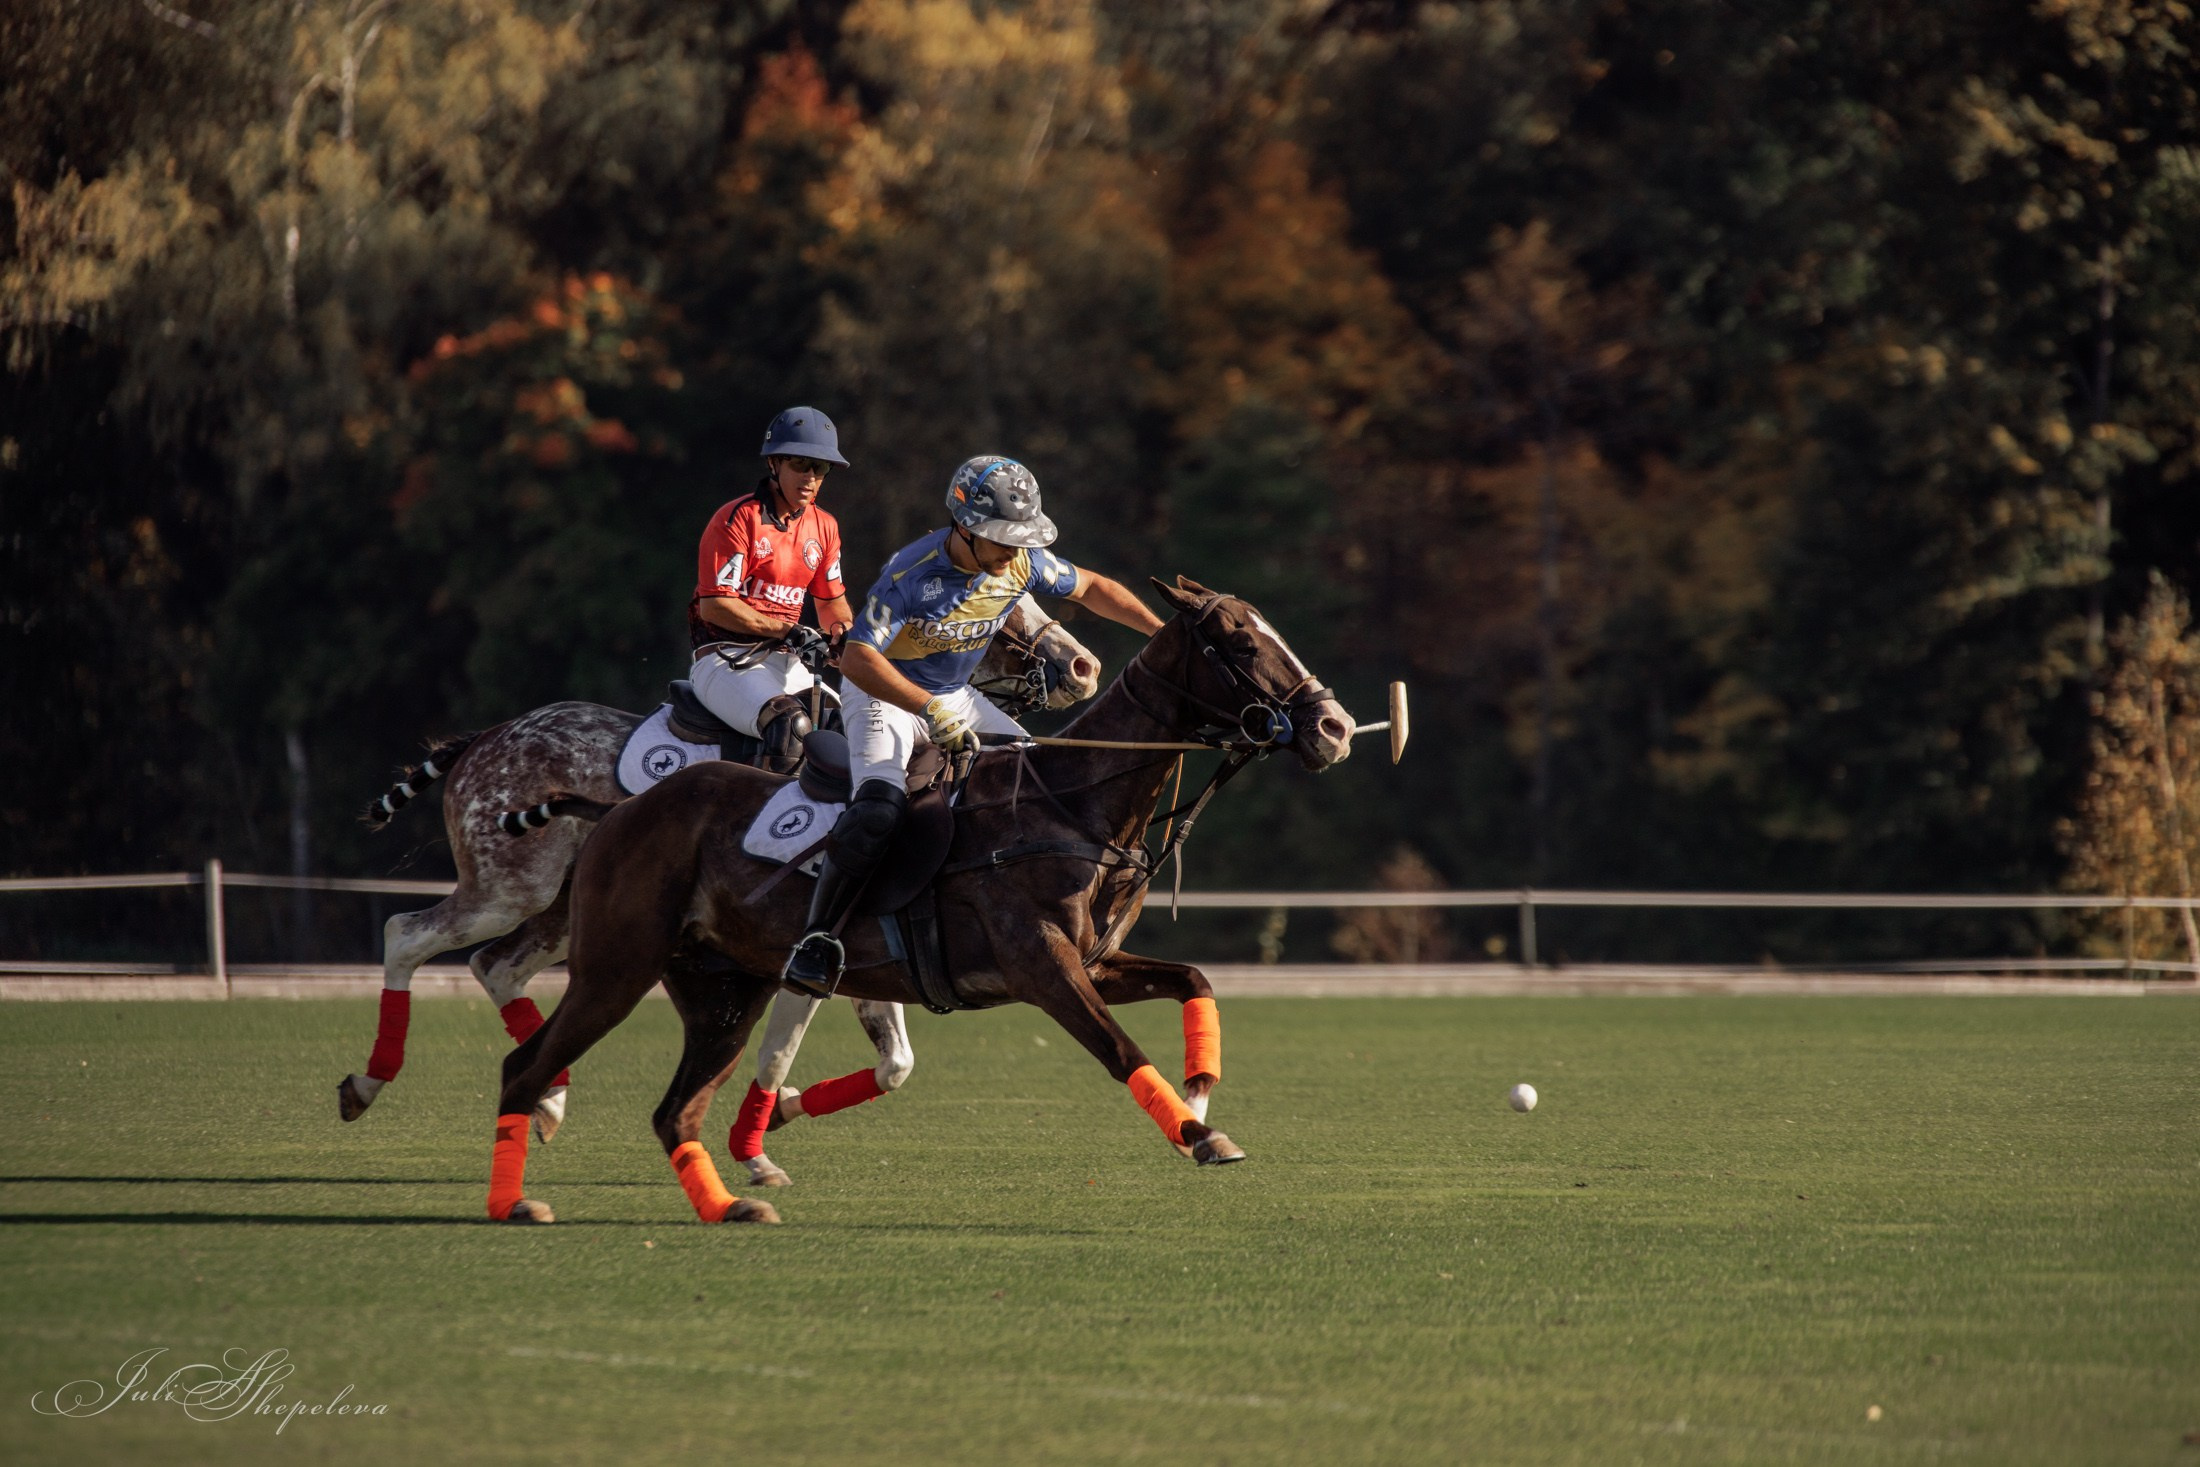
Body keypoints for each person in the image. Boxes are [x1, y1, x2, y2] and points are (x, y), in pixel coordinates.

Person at [781, 454, 1164, 994]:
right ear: (965, 527)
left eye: (1021, 539)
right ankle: (817, 941)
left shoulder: (1022, 563)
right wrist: (928, 708)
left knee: (1038, 781)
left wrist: (1160, 632)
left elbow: (1093, 588)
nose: (1014, 552)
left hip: (955, 697)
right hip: (883, 695)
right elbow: (858, 658)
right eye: (1003, 539)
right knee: (877, 810)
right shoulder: (912, 574)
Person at [687, 407, 855, 772]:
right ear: (774, 463)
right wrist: (788, 631)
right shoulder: (738, 519)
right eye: (800, 464)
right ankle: (762, 811)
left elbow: (831, 603)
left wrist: (841, 632)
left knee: (848, 727)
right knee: (789, 725)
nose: (810, 477)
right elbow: (715, 605)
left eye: (820, 468)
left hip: (788, 662)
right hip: (725, 659)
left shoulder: (825, 527)